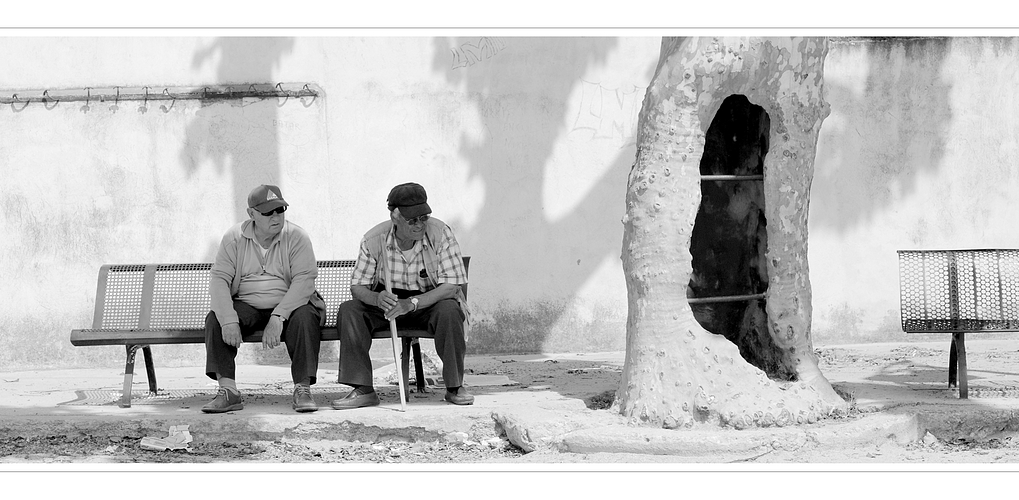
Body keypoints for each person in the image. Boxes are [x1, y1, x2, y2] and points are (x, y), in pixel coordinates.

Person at [333, 182, 472, 409]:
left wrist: (413, 303)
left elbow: (452, 285)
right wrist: (376, 299)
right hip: (387, 302)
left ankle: (455, 386)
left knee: (450, 311)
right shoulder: (374, 239)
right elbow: (358, 287)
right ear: (395, 216)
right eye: (412, 220)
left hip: (429, 300)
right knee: (350, 310)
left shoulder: (441, 233)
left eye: (424, 217)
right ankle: (363, 389)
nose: (420, 224)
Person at [202, 184, 326, 413]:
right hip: (247, 304)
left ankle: (303, 389)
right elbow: (219, 279)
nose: (276, 217)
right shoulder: (234, 238)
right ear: (251, 214)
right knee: (216, 319)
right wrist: (229, 319)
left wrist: (278, 316)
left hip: (290, 304)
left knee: (306, 318)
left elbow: (304, 281)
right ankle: (228, 391)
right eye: (268, 212)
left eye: (280, 210)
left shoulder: (296, 236)